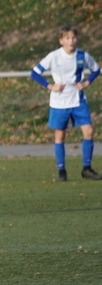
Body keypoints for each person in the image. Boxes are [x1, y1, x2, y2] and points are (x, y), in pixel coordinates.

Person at [30, 25, 102, 181]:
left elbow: (96, 70)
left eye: (73, 38)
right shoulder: (54, 56)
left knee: (89, 131)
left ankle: (87, 168)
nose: (71, 41)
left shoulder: (82, 55)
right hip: (59, 102)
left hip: (78, 100)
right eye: (67, 38)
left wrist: (86, 82)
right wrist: (50, 86)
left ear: (77, 39)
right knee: (60, 135)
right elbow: (34, 73)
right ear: (61, 41)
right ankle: (61, 170)